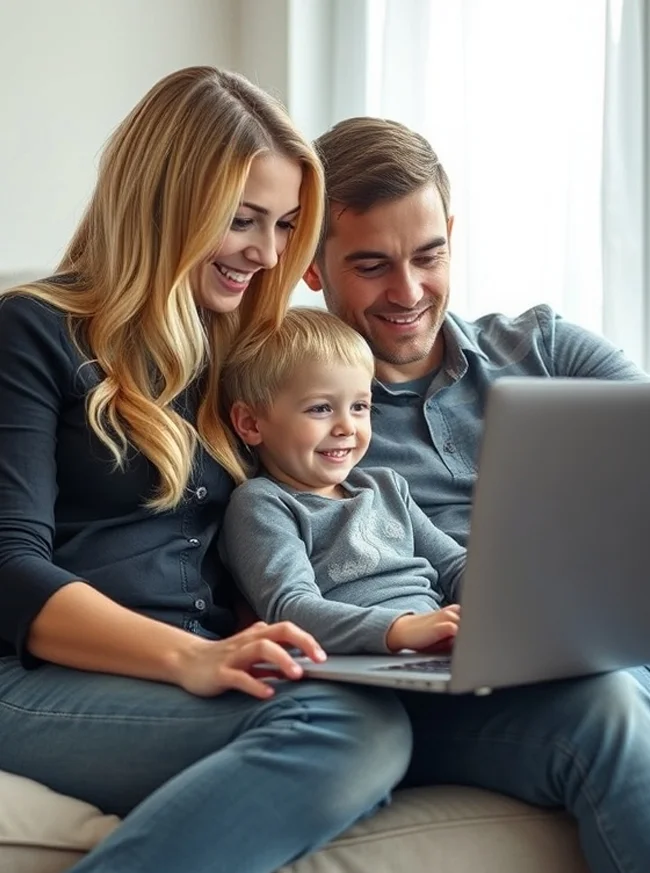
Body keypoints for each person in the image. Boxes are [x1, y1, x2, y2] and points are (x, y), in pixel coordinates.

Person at [0, 70, 415, 873]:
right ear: (165, 204)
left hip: (203, 665)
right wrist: (188, 657)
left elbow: (332, 489)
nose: (269, 253)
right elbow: (9, 569)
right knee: (354, 729)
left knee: (409, 711)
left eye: (285, 225)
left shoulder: (242, 354)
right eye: (242, 219)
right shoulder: (32, 330)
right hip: (38, 675)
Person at [304, 116, 650, 873]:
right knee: (611, 704)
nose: (408, 292)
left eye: (429, 255)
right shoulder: (293, 417)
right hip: (436, 689)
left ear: (453, 237)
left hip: (599, 643)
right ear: (311, 266)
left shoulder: (544, 348)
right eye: (372, 265)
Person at [219, 306, 463, 655]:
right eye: (320, 408)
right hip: (363, 654)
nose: (347, 427)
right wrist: (398, 630)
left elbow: (455, 566)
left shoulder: (387, 486)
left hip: (437, 642)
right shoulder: (263, 503)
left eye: (360, 407)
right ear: (250, 423)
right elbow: (290, 607)